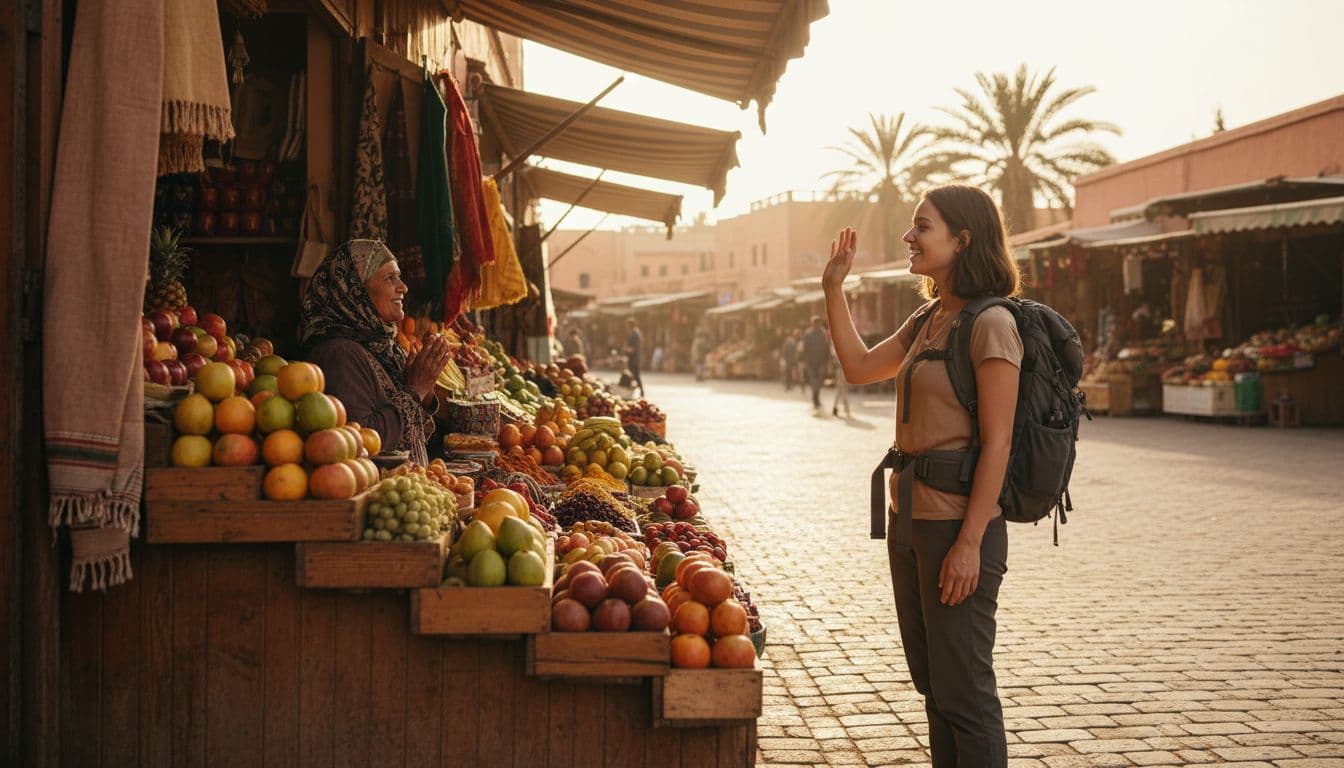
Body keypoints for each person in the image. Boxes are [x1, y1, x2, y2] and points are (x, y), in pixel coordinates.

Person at [822, 184, 1022, 767]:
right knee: (935, 687)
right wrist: (834, 287)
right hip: (909, 521)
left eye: (923, 227)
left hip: (956, 527)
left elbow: (1000, 440)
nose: (909, 237)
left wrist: (970, 543)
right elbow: (859, 368)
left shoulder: (992, 325)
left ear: (963, 240)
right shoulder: (930, 317)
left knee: (965, 692)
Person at [301, 240, 451, 468]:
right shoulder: (337, 355)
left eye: (398, 276)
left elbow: (414, 433)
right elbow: (367, 443)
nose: (403, 287)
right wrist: (416, 390)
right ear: (355, 290)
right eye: (390, 278)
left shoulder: (383, 346)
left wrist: (424, 390)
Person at [800, 316, 830, 411]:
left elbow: (826, 347)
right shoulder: (808, 334)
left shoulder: (823, 334)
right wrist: (804, 360)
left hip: (821, 361)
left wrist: (828, 359)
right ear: (812, 324)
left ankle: (816, 398)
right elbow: (804, 349)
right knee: (814, 381)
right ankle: (815, 399)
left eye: (819, 323)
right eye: (816, 323)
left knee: (819, 381)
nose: (818, 325)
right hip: (811, 362)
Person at [831, 334, 851, 418]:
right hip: (842, 369)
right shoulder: (842, 345)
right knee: (842, 389)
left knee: (841, 389)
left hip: (840, 369)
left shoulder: (835, 344)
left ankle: (841, 407)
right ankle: (840, 407)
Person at [624, 318, 645, 397]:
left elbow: (633, 348)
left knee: (635, 376)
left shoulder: (635, 334)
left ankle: (641, 391)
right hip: (634, 358)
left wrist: (626, 350)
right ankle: (632, 391)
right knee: (633, 376)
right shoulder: (635, 333)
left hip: (634, 359)